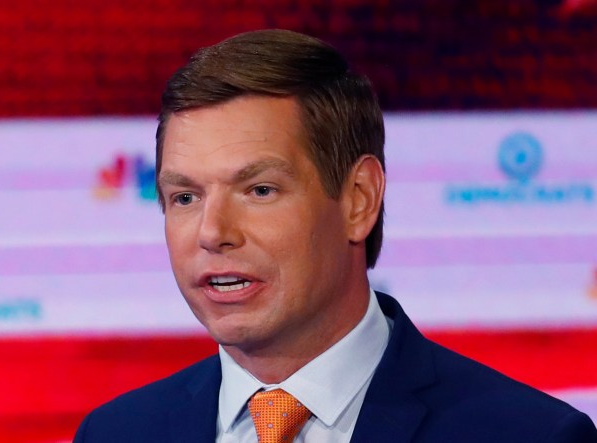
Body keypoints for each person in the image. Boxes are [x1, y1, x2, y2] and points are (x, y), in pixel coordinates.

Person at [74, 29, 597, 442]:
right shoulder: (116, 433)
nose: (212, 233)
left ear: (358, 200)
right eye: (185, 197)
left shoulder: (527, 435)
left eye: (259, 190)